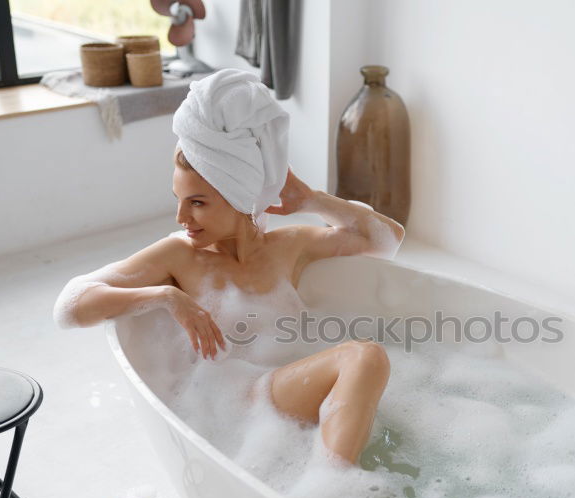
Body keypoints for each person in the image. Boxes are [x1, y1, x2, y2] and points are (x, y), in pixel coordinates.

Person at [53, 69, 405, 464]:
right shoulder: (180, 255)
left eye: (198, 202)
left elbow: (386, 240)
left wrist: (311, 199)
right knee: (364, 357)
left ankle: (333, 482)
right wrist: (167, 296)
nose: (181, 216)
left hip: (289, 392)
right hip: (239, 402)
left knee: (365, 359)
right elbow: (70, 306)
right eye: (180, 199)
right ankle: (336, 489)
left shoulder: (288, 246)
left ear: (239, 196)